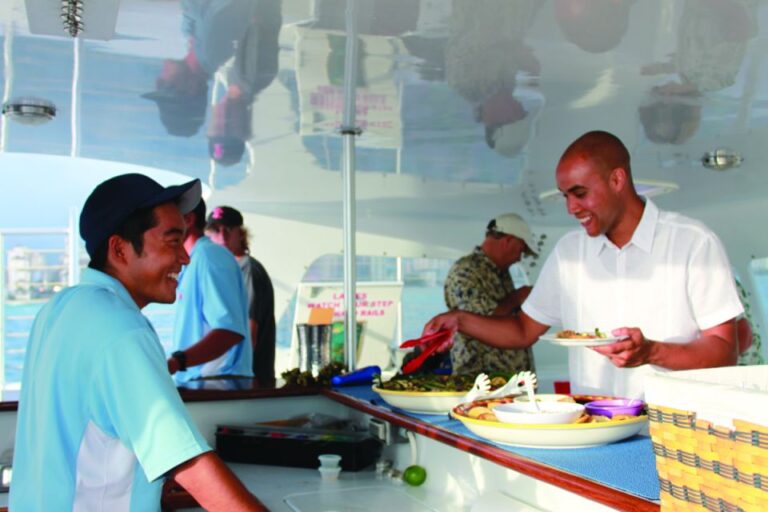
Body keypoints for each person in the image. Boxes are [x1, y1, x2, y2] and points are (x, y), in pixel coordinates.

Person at [10, 173, 264, 510]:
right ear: (119, 249)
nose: (185, 257)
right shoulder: (122, 329)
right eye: (172, 241)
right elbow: (189, 463)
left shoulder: (58, 309)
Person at [424, 130, 743, 398]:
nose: (571, 208)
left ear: (617, 179)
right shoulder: (569, 252)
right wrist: (459, 320)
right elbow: (523, 330)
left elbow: (725, 351)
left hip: (676, 431)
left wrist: (652, 352)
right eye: (565, 196)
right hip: (594, 425)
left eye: (579, 193)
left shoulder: (692, 242)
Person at [169, 199, 252, 383]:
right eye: (216, 229)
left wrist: (175, 363)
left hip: (217, 382)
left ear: (188, 220)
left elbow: (229, 331)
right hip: (198, 380)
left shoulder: (210, 257)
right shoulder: (194, 260)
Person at [445, 213, 537, 375]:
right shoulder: (466, 271)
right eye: (520, 250)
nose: (519, 258)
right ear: (508, 241)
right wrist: (518, 297)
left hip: (508, 382)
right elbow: (477, 322)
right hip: (482, 381)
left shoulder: (500, 272)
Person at [205, 206, 276, 386]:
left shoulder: (248, 270)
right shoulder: (225, 270)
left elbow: (251, 329)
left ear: (241, 234)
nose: (222, 236)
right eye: (215, 230)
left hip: (249, 381)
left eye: (228, 230)